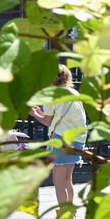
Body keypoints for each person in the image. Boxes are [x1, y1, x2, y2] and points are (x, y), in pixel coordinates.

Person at [30, 65, 88, 205]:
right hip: (78, 139)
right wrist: (40, 113)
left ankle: (63, 216)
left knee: (58, 181)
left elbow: (47, 121)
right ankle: (69, 214)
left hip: (61, 139)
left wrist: (34, 113)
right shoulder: (73, 92)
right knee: (68, 179)